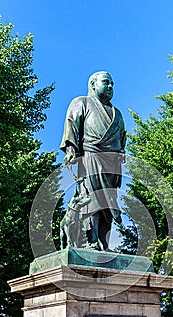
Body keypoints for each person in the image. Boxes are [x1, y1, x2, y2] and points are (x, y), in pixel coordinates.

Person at [60, 71, 126, 251]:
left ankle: (105, 244)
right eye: (106, 82)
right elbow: (72, 124)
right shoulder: (81, 103)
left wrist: (121, 152)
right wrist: (71, 149)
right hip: (90, 158)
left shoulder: (117, 114)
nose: (111, 86)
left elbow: (121, 137)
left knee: (108, 204)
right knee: (91, 199)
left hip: (112, 163)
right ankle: (92, 241)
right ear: (93, 84)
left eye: (112, 83)